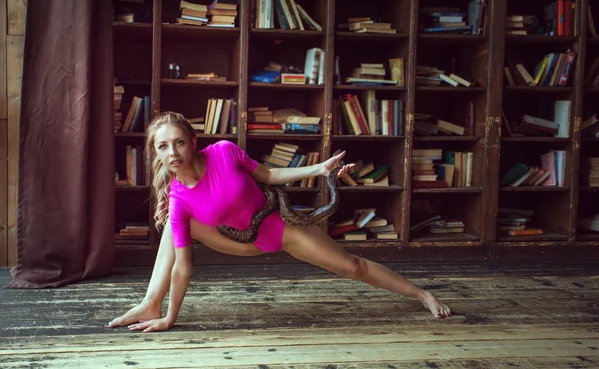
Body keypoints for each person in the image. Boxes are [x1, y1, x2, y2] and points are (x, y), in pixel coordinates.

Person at [106, 111, 452, 333]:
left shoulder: (224, 152)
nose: (172, 154)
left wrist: (319, 169)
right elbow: (183, 267)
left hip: (278, 226)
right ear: (157, 153)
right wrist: (171, 317)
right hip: (239, 242)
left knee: (353, 266)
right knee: (174, 224)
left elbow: (269, 174)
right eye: (163, 147)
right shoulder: (180, 199)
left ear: (193, 142)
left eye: (179, 142)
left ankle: (422, 294)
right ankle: (152, 303)